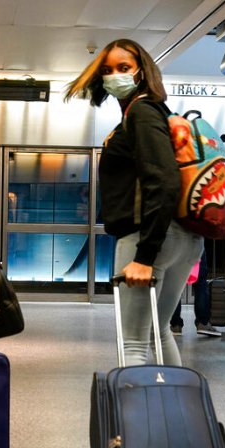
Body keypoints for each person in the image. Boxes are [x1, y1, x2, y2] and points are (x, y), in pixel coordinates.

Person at [64, 39, 203, 366]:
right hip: (183, 236)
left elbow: (164, 179)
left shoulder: (141, 112)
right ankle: (175, 411)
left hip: (148, 237)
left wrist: (144, 256)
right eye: (108, 70)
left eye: (123, 68)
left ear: (142, 72)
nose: (115, 76)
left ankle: (138, 418)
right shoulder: (155, 111)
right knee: (159, 332)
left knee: (135, 344)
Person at [170, 249, 221, 337]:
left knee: (174, 281)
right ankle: (203, 323)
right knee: (200, 282)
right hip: (195, 241)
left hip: (175, 241)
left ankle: (175, 324)